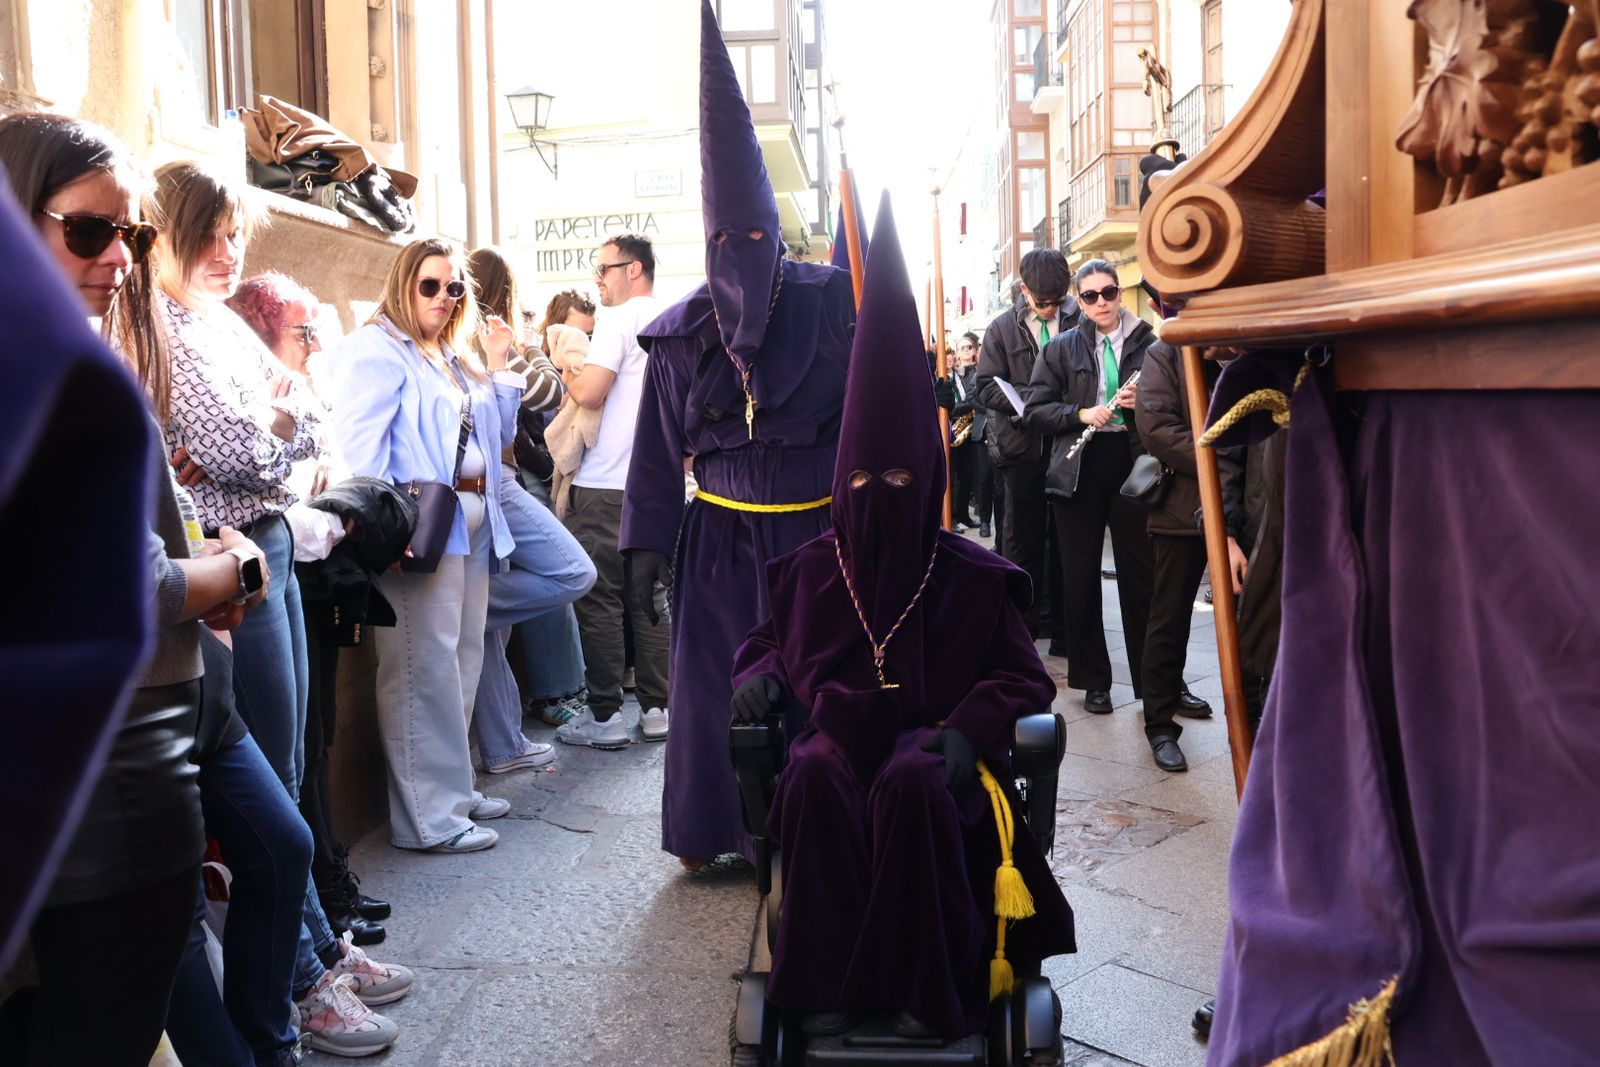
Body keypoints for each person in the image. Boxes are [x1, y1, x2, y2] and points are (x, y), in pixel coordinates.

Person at [729, 197, 1073, 1038]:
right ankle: (825, 985)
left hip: (935, 757)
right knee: (808, 776)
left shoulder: (972, 577)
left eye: (897, 485)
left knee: (916, 781)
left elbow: (1023, 674)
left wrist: (970, 727)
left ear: (927, 480)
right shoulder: (811, 570)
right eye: (859, 486)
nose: (877, 502)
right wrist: (760, 679)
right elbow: (767, 645)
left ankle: (930, 989)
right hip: (836, 746)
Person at [0, 111, 257, 1067]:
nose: (118, 257)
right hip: (107, 795)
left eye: (132, 234)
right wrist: (235, 568)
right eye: (86, 230)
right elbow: (126, 588)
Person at [151, 161, 411, 1043]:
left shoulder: (215, 324)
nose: (227, 253)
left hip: (266, 543)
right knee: (273, 774)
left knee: (294, 764)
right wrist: (270, 433)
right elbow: (250, 449)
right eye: (210, 236)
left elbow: (303, 423)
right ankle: (303, 976)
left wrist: (275, 428)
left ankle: (316, 955)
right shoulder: (167, 329)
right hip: (230, 565)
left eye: (235, 236)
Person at [619, 0, 856, 867]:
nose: (743, 252)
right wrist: (644, 547)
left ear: (779, 234)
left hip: (817, 535)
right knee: (716, 689)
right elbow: (652, 449)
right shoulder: (681, 333)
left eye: (756, 237)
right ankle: (717, 827)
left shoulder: (831, 304)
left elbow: (871, 420)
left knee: (818, 678)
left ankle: (820, 820)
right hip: (718, 536)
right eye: (727, 239)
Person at [326, 238, 525, 852]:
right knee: (421, 664)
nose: (444, 297)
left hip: (470, 515)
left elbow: (499, 436)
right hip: (420, 519)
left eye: (454, 287)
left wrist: (497, 368)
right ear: (403, 283)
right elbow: (362, 450)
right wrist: (384, 527)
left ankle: (452, 792)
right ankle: (428, 817)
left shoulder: (449, 355)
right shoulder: (377, 350)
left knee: (461, 656)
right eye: (430, 285)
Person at [227, 270, 390, 946]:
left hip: (313, 574)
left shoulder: (298, 385)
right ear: (266, 330)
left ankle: (328, 898)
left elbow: (326, 459)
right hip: (283, 569)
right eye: (303, 330)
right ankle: (321, 916)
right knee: (290, 756)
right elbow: (270, 472)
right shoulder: (243, 377)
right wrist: (288, 447)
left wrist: (292, 438)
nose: (316, 342)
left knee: (313, 744)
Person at [466, 245, 596, 774]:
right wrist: (532, 345)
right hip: (494, 483)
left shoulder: (476, 336)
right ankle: (463, 607)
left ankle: (502, 747)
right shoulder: (490, 332)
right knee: (575, 571)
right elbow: (546, 389)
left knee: (489, 633)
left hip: (493, 481)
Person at [1022, 258, 1155, 716]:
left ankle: (1152, 681)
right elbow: (1035, 409)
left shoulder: (1147, 342)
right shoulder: (1059, 348)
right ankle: (1094, 680)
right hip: (1079, 463)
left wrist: (1147, 401)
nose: (1102, 302)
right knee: (1079, 577)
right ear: (1078, 301)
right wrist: (1079, 414)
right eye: (1091, 295)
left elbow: (1173, 399)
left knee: (1142, 576)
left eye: (1110, 292)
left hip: (1131, 458)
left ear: (1121, 292)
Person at [554, 232, 670, 750]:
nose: (597, 278)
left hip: (603, 484)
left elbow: (592, 391)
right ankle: (657, 710)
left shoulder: (618, 321)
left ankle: (603, 719)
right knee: (651, 598)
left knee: (600, 601)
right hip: (656, 485)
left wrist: (568, 370)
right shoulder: (674, 321)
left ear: (634, 270)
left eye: (604, 268)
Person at [1132, 341, 1241, 771]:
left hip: (1247, 502)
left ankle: (1249, 715)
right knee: (1170, 616)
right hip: (1184, 505)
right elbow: (1156, 428)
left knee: (1249, 616)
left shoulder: (1248, 348)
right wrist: (1226, 452)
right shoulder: (1166, 354)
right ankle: (1160, 722)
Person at [975, 248, 1077, 635]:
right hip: (1021, 447)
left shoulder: (1078, 316)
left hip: (1068, 444)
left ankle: (1061, 621)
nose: (1051, 308)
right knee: (1023, 540)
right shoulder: (1002, 328)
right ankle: (1024, 623)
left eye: (1058, 300)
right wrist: (1026, 403)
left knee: (1066, 539)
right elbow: (986, 386)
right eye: (1043, 301)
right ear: (1024, 290)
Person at [518, 290, 598, 729]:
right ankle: (556, 691)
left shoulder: (528, 349)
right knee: (560, 574)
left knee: (573, 573)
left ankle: (566, 687)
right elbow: (540, 404)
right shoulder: (512, 345)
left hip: (537, 477)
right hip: (519, 478)